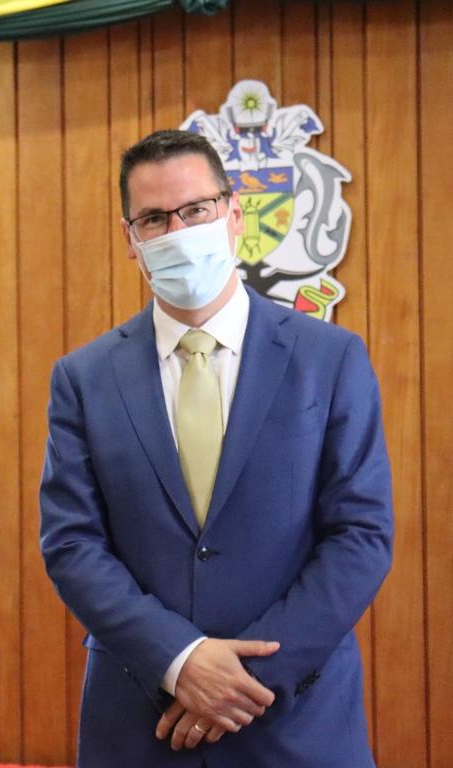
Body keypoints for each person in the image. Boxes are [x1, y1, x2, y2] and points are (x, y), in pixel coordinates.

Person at [39, 130, 392, 767]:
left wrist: (240, 682)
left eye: (196, 210)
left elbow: (360, 534)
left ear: (233, 217)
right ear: (131, 240)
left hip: (297, 718)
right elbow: (72, 544)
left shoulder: (330, 358)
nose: (177, 230)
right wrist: (180, 660)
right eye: (153, 218)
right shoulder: (83, 378)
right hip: (143, 722)